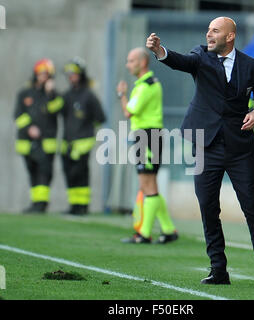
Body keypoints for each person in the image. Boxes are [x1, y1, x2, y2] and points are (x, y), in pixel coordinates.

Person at [146, 17, 254, 285]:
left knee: (252, 207)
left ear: (230, 37)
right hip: (205, 146)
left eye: (215, 31)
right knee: (208, 207)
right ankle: (219, 270)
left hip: (240, 149)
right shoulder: (200, 56)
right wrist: (160, 51)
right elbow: (180, 61)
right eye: (208, 31)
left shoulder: (251, 66)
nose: (209, 35)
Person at [116, 47, 178, 244]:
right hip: (148, 136)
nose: (128, 65)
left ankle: (143, 234)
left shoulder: (146, 85)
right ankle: (168, 230)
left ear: (142, 63)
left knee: (147, 185)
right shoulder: (147, 83)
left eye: (131, 61)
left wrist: (122, 95)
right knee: (150, 185)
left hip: (148, 136)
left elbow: (129, 112)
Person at [14, 58, 63, 213]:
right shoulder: (25, 93)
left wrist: (50, 93)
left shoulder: (54, 96)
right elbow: (18, 115)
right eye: (41, 73)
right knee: (32, 171)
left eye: (47, 74)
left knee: (45, 172)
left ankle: (42, 203)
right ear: (36, 73)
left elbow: (55, 109)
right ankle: (36, 202)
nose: (44, 76)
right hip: (26, 142)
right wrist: (29, 128)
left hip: (46, 142)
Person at [61, 57, 106, 215]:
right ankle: (74, 205)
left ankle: (83, 205)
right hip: (67, 143)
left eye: (74, 73)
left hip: (83, 143)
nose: (71, 76)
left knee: (80, 174)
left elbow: (101, 117)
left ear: (81, 74)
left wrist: (87, 129)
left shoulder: (89, 96)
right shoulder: (67, 96)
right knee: (69, 174)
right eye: (69, 74)